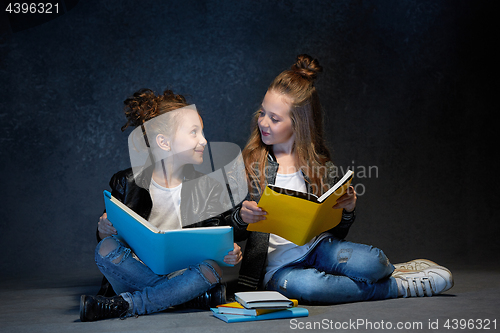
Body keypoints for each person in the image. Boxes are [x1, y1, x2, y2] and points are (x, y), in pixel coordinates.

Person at [229, 54, 453, 304]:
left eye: (275, 118)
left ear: (299, 124)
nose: (263, 122)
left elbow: (337, 232)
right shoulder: (249, 164)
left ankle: (391, 271)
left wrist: (347, 210)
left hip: (319, 248)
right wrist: (242, 216)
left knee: (374, 263)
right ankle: (396, 286)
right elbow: (228, 228)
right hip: (278, 269)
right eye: (263, 113)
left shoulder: (319, 166)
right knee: (311, 288)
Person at [80, 88, 242, 322]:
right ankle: (184, 296)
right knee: (105, 248)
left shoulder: (206, 186)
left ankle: (127, 304)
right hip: (136, 269)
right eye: (194, 133)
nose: (204, 140)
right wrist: (103, 228)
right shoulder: (126, 182)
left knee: (211, 267)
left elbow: (216, 236)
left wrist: (229, 251)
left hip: (182, 271)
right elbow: (110, 232)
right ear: (164, 142)